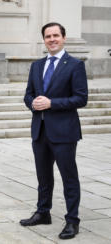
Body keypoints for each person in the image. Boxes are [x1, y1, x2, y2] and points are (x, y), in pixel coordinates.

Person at [21, 22, 88, 240]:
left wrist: (51, 103)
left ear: (64, 38)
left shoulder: (75, 65)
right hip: (40, 130)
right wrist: (33, 103)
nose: (52, 39)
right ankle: (43, 213)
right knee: (43, 177)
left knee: (69, 177)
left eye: (56, 35)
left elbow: (81, 98)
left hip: (64, 132)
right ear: (44, 39)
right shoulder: (37, 66)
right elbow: (28, 95)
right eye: (48, 36)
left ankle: (72, 221)